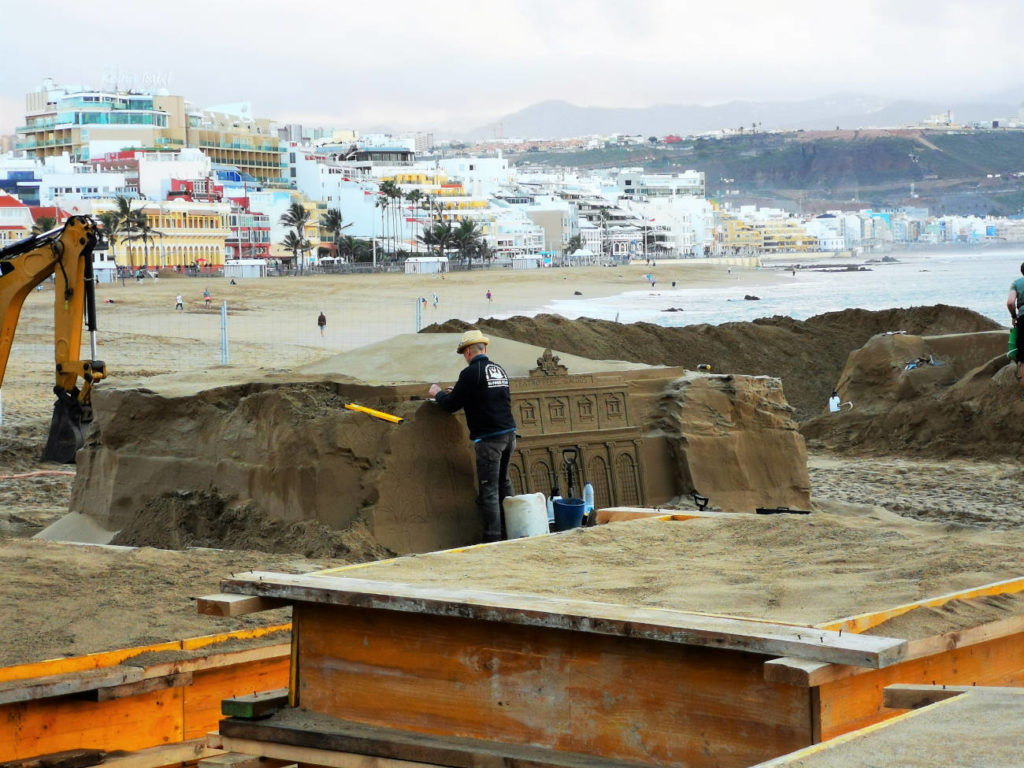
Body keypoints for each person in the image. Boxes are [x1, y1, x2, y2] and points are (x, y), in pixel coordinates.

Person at [428, 330, 516, 543]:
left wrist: (437, 393)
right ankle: (512, 530)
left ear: (468, 351)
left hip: (490, 440)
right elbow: (488, 396)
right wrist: (458, 391)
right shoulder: (498, 370)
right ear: (483, 349)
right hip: (509, 435)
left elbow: (451, 406)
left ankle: (493, 538)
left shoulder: (470, 373)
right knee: (504, 484)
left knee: (489, 490)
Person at [1007, 262, 1024, 385]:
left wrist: (1014, 316)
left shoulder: (1016, 284)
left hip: (1023, 318)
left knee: (1023, 357)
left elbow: (1010, 302)